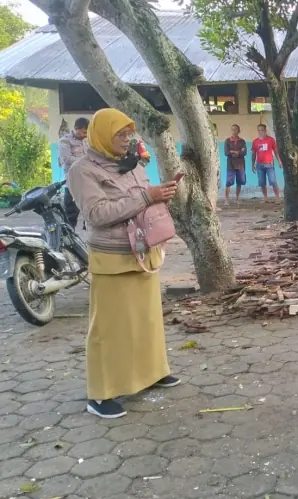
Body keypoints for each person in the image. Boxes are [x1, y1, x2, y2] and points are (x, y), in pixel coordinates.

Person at [66, 108, 181, 419]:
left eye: (129, 133)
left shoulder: (131, 164)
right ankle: (100, 394)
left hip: (142, 251)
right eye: (120, 134)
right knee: (109, 328)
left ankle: (152, 373)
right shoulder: (83, 170)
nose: (127, 138)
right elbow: (98, 214)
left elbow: (141, 198)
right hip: (113, 256)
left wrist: (160, 195)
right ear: (103, 134)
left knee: (147, 320)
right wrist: (147, 197)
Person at [58, 117, 89, 230]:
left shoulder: (86, 141)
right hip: (72, 182)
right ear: (76, 128)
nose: (85, 135)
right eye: (84, 132)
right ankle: (68, 236)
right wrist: (85, 160)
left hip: (86, 181)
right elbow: (66, 159)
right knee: (71, 213)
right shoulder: (65, 141)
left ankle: (88, 234)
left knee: (89, 208)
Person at [251, 124, 281, 202]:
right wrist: (252, 164)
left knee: (273, 181)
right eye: (259, 130)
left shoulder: (271, 140)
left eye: (262, 130)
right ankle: (265, 197)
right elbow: (253, 154)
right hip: (259, 165)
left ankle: (277, 198)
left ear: (265, 130)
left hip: (269, 164)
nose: (260, 131)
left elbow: (276, 151)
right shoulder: (255, 141)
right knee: (262, 182)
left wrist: (279, 161)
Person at [224, 124, 247, 205]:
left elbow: (244, 152)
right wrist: (238, 152)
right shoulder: (227, 141)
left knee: (240, 181)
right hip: (230, 164)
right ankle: (226, 199)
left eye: (236, 129)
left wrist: (233, 151)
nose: (234, 131)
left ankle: (237, 199)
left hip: (240, 164)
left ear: (238, 131)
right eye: (232, 129)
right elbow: (227, 152)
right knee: (228, 182)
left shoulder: (242, 141)